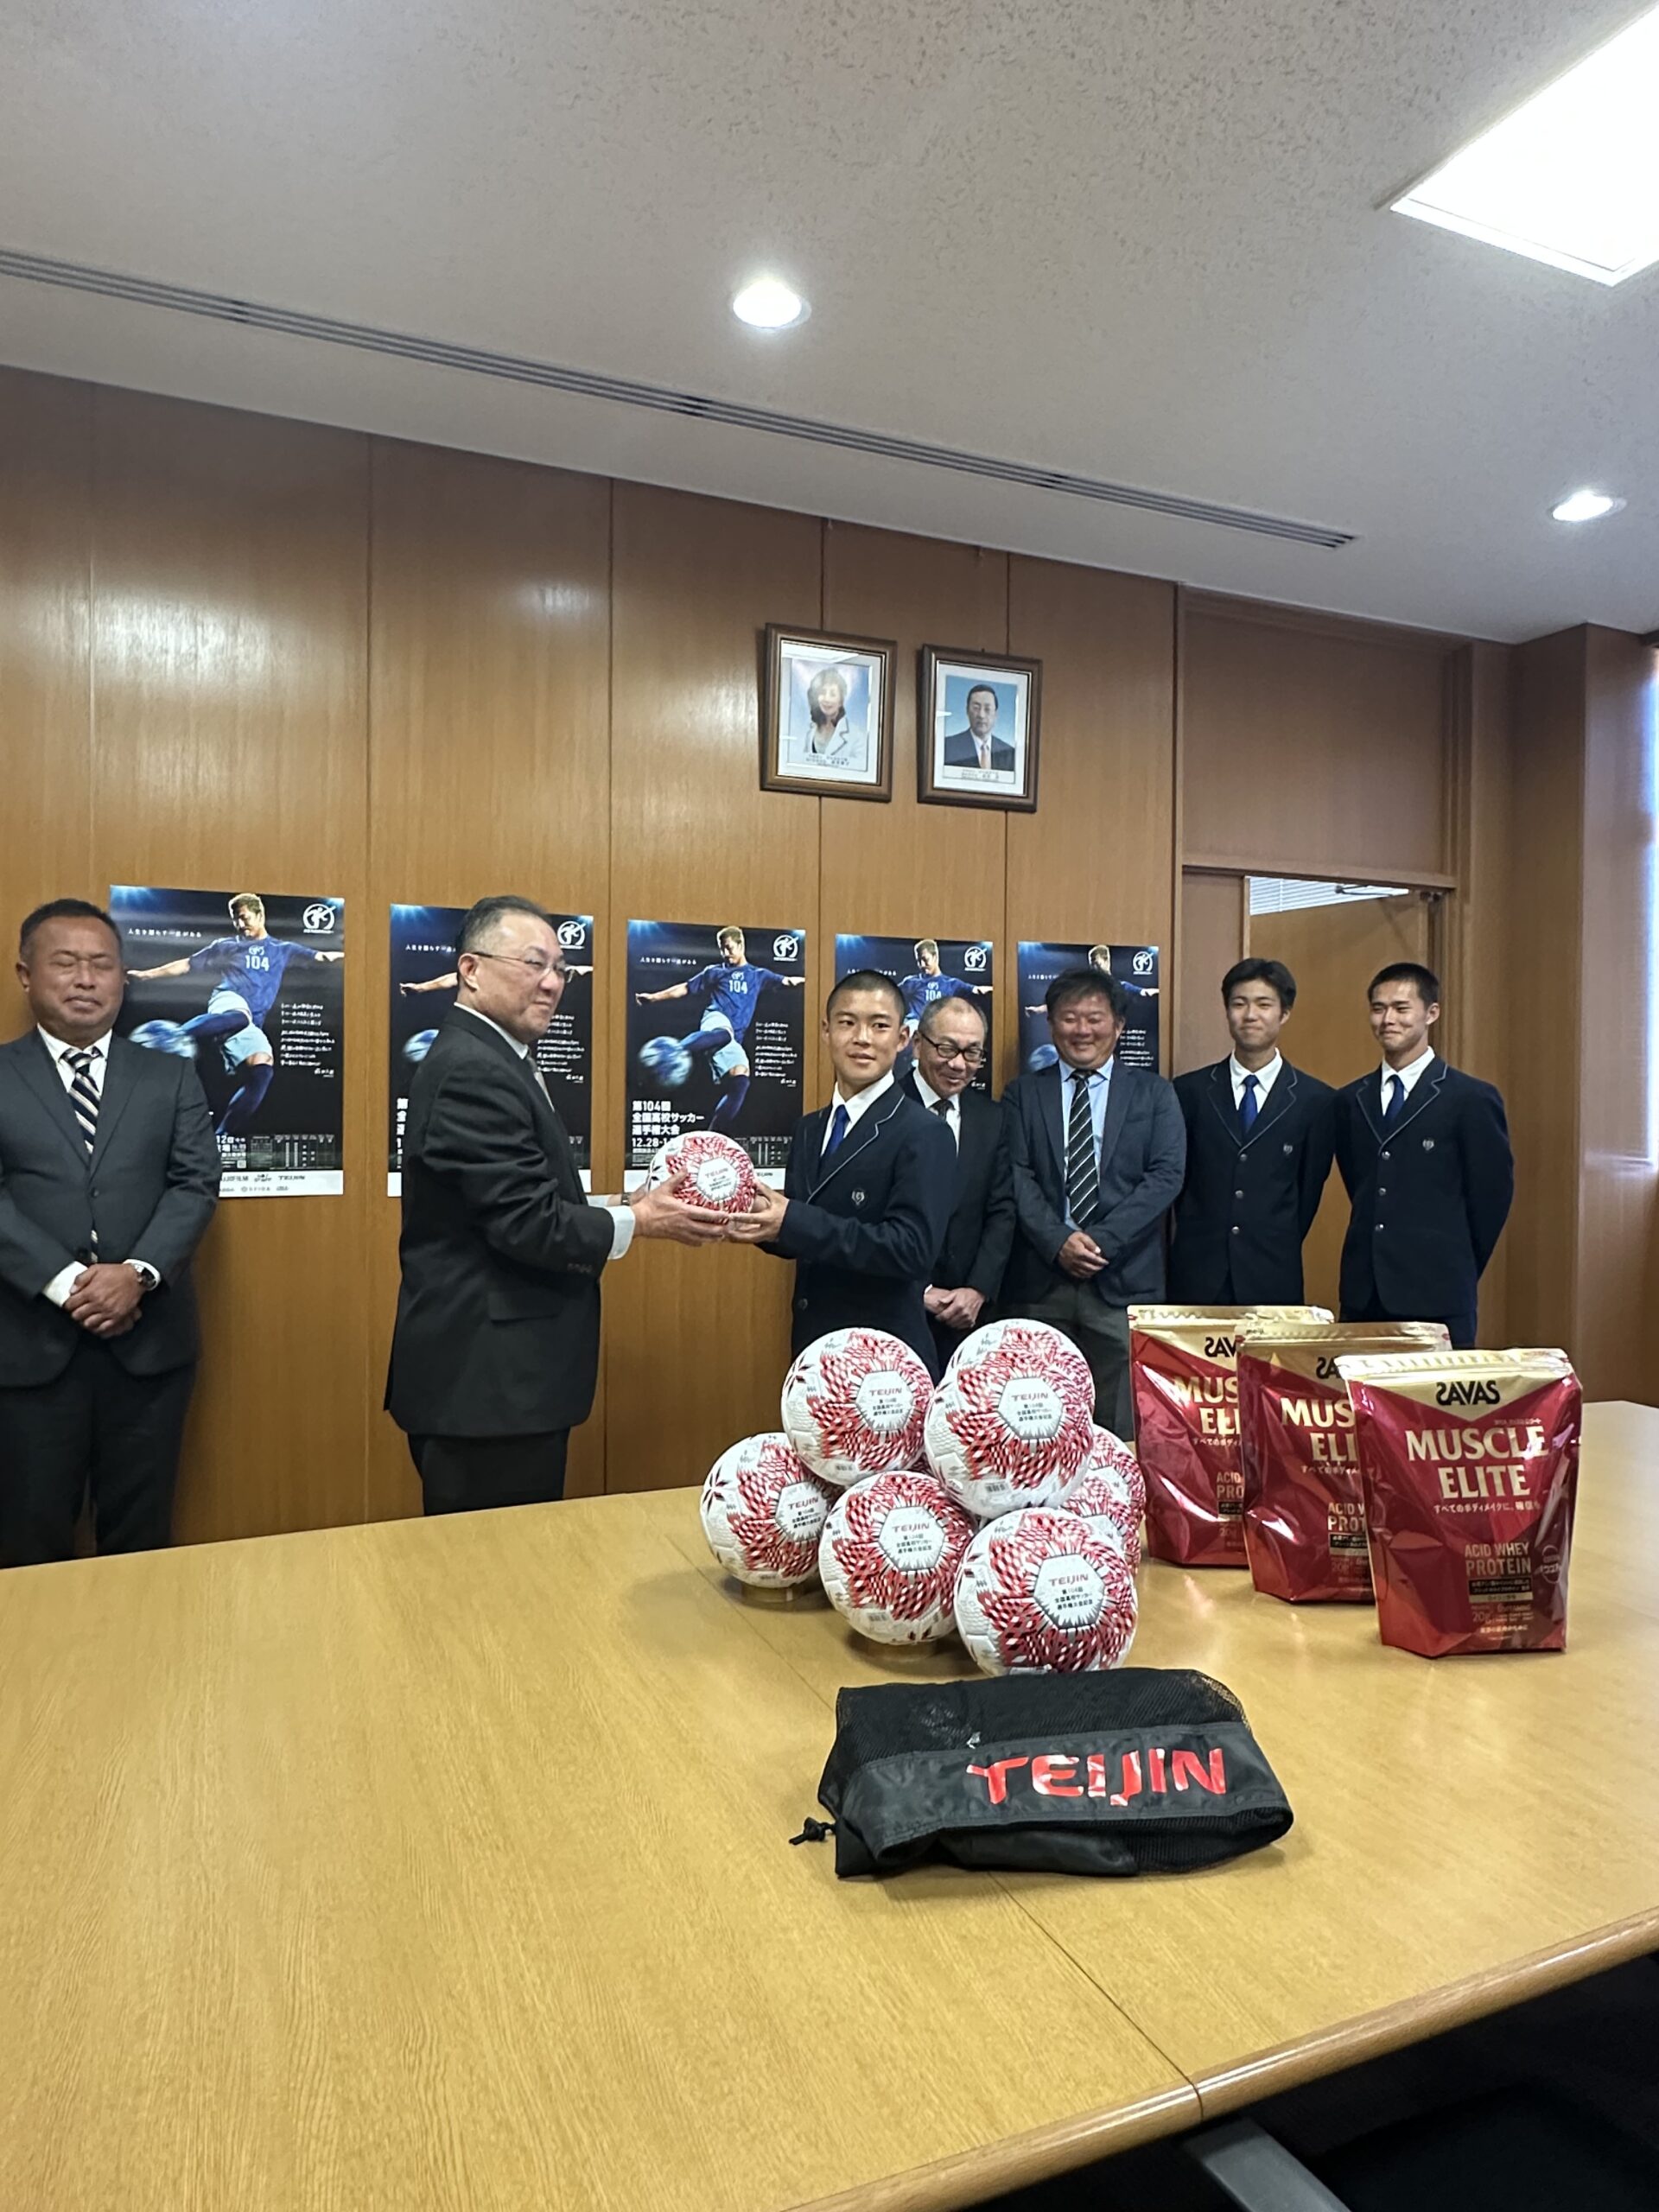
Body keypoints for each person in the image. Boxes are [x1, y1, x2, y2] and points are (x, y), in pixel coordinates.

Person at [386, 896, 726, 1516]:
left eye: (560, 969)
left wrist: (622, 1201)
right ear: (471, 969)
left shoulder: (495, 1057)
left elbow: (516, 1196)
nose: (551, 984)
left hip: (500, 1388)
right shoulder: (472, 1070)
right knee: (494, 1565)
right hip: (488, 1391)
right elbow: (527, 1223)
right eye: (533, 964)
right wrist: (640, 1221)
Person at [0, 899, 220, 1566]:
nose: (86, 979)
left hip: (148, 1345)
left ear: (122, 978)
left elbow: (194, 1183)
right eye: (65, 963)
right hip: (29, 1349)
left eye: (101, 965)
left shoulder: (170, 1074)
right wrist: (68, 1283)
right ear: (25, 975)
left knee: (143, 1542)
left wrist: (138, 1274)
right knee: (29, 1540)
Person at [727, 970, 954, 1373]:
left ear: (903, 1039)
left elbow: (911, 1250)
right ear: (826, 1031)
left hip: (883, 1363)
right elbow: (801, 1230)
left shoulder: (924, 1131)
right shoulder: (810, 1128)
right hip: (814, 1351)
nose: (862, 1038)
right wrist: (754, 1219)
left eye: (879, 1026)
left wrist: (791, 1220)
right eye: (847, 1022)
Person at [1001, 969, 1185, 1434]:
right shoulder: (1023, 1094)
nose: (1082, 1030)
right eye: (1069, 1018)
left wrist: (1101, 1241)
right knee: (1036, 1423)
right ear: (1051, 1025)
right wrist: (1058, 1241)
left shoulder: (1155, 1094)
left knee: (1122, 1428)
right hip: (1041, 1284)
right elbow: (1015, 1175)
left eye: (1094, 1018)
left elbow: (1165, 1177)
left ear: (1118, 1026)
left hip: (1124, 1282)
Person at [1335, 963, 1512, 1349]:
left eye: (1401, 1008)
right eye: (1378, 1008)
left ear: (1432, 1013)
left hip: (1439, 1293)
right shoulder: (1350, 1100)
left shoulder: (1470, 1098)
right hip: (1364, 1294)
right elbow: (1361, 1184)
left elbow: (1491, 1199)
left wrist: (1456, 1263)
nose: (1388, 1019)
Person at [1169, 958, 1335, 1305]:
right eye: (1239, 1003)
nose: (1250, 1015)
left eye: (1263, 1004)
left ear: (1284, 1013)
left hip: (1272, 1275)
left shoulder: (1315, 1100)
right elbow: (1178, 1184)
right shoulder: (1189, 1091)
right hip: (1197, 1274)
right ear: (1227, 1010)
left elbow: (1306, 1193)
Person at [127, 892, 344, 1139]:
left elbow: (323, 957)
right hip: (228, 1001)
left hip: (251, 1022)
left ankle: (222, 1135)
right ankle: (173, 1036)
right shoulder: (226, 946)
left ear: (260, 916)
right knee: (241, 1015)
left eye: (244, 918)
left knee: (263, 1068)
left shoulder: (282, 950)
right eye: (236, 919)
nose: (240, 925)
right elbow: (187, 964)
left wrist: (353, 956)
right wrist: (146, 975)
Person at [900, 995, 1014, 1371]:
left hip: (970, 1317)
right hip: (896, 1309)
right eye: (946, 1048)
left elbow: (1002, 1210)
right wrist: (919, 1292)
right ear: (918, 1044)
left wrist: (978, 1289)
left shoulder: (992, 1118)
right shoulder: (884, 1109)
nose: (958, 1064)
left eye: (972, 1053)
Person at [634, 925, 805, 1135]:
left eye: (729, 948)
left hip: (733, 1039)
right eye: (722, 949)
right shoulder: (715, 972)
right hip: (714, 1020)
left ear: (741, 946)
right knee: (725, 1033)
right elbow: (686, 988)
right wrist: (654, 997)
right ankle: (677, 1049)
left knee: (741, 1079)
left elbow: (787, 981)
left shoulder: (758, 975)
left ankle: (713, 1135)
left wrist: (812, 982)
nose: (725, 953)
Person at [896, 939, 992, 1030]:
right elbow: (892, 994)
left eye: (925, 959)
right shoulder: (912, 982)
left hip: (937, 1028)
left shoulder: (951, 984)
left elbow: (977, 990)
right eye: (919, 960)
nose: (922, 964)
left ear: (935, 957)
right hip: (915, 1026)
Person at [791, 664, 868, 771]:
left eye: (832, 694)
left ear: (841, 701)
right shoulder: (807, 734)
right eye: (822, 693)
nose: (827, 699)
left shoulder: (857, 736)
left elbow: (861, 770)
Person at [943, 683, 1016, 774]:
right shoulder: (947, 746)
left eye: (987, 709)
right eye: (976, 708)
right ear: (967, 711)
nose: (981, 715)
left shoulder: (1010, 754)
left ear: (996, 714)